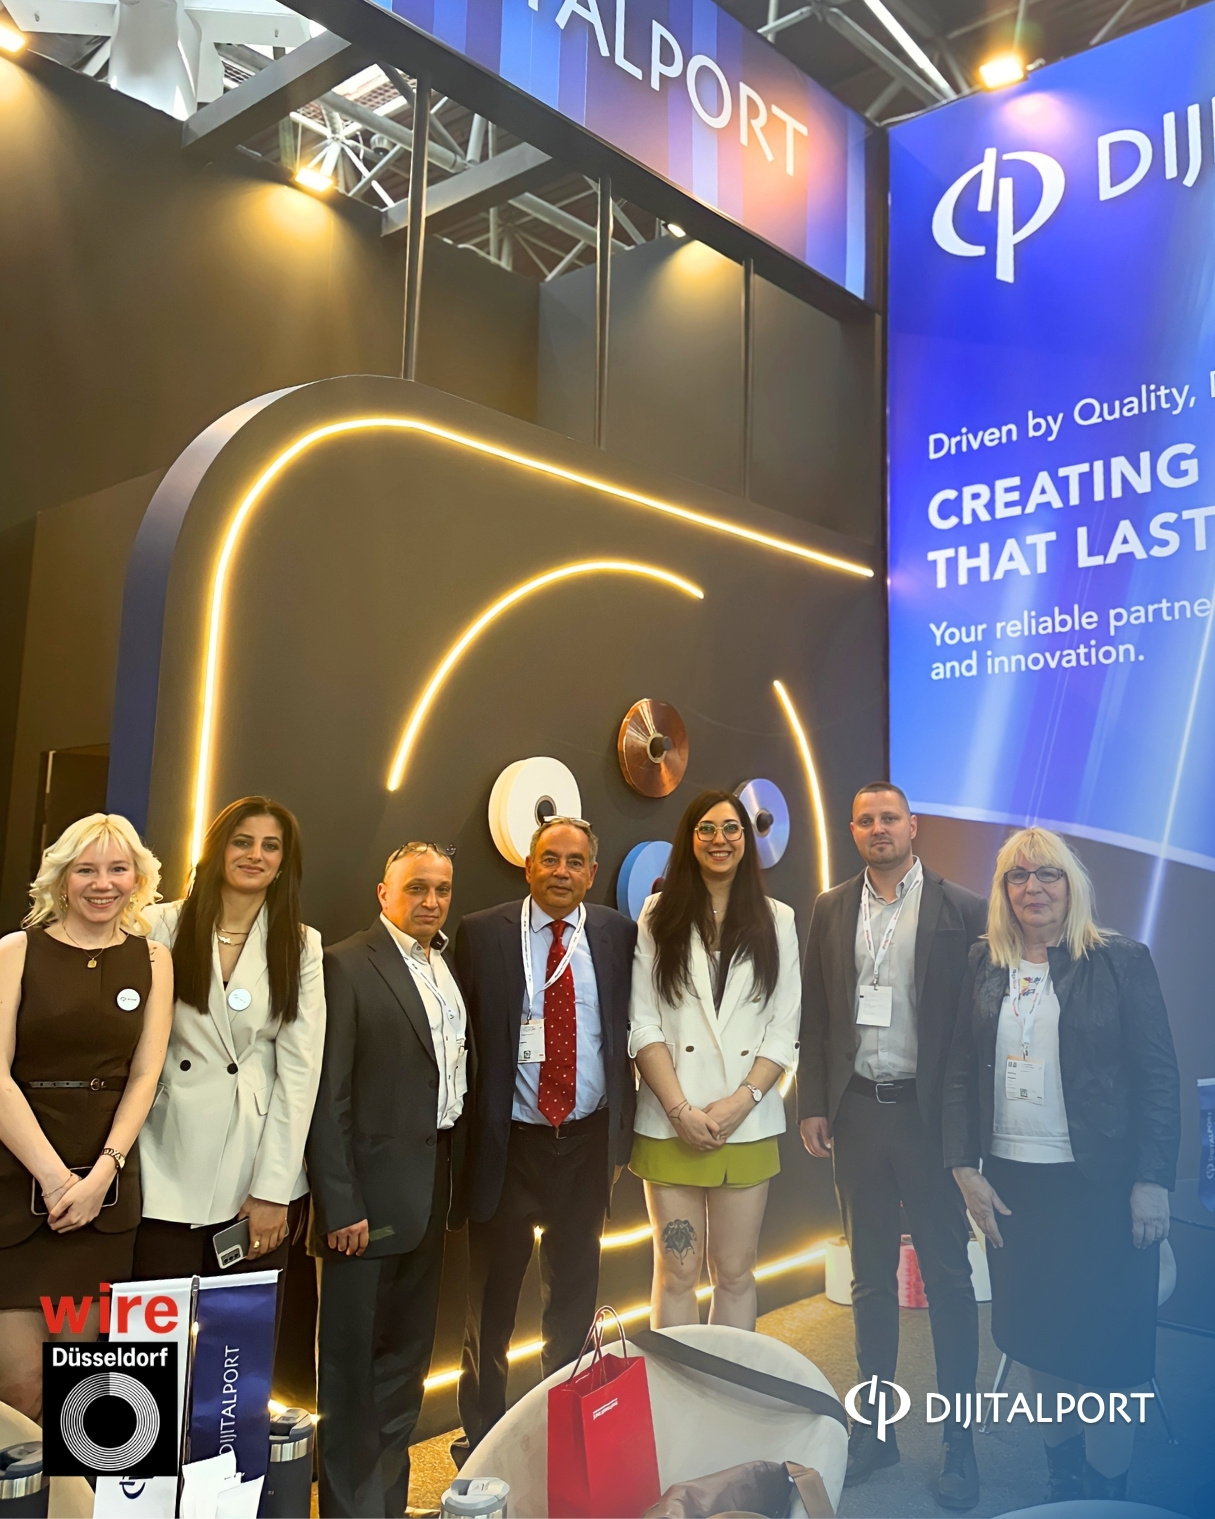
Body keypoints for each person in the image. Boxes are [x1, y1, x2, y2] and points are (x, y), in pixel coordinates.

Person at [945, 827, 1180, 1504]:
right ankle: (1063, 1481)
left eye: (1047, 874)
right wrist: (964, 1168)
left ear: (1070, 884)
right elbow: (959, 1072)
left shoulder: (1120, 961)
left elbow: (1158, 1078)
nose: (1033, 888)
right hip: (1016, 1187)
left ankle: (1107, 1494)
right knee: (1039, 1342)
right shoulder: (984, 962)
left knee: (1107, 1359)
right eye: (1017, 876)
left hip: (1103, 1189)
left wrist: (1151, 1180)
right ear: (1003, 890)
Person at [798, 782, 986, 1509]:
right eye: (865, 820)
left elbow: (973, 1030)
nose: (878, 828)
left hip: (928, 1119)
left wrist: (967, 1131)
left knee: (948, 1280)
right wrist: (814, 1103)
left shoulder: (961, 908)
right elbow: (816, 1011)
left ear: (913, 826)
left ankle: (960, 1442)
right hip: (857, 1114)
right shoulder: (830, 907)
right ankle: (875, 1431)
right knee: (870, 1279)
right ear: (852, 831)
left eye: (889, 818)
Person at [452, 817, 637, 1461]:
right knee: (490, 1308)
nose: (562, 871)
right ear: (528, 867)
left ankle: (562, 1434)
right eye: (550, 859)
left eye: (575, 861)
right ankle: (482, 1439)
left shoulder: (616, 934)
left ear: (592, 873)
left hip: (585, 1144)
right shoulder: (482, 933)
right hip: (510, 1146)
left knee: (573, 1302)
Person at [307, 842, 471, 1518]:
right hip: (364, 1208)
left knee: (405, 1368)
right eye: (416, 888)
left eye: (441, 889)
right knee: (351, 1378)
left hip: (429, 1194)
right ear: (384, 893)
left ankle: (388, 1505)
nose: (431, 901)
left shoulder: (445, 964)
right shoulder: (345, 964)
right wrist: (339, 1202)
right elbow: (328, 1096)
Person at [0, 814, 173, 1419]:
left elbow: (146, 1075)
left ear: (137, 879)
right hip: (16, 1186)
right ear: (61, 878)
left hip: (105, 1194)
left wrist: (102, 1174)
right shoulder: (17, 951)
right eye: (86, 870)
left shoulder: (153, 959)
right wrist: (54, 1179)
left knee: (83, 1391)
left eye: (117, 869)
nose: (103, 884)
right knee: (20, 1390)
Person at [133, 798, 325, 1292]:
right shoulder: (157, 925)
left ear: (284, 863)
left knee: (237, 1336)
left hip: (251, 1163)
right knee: (157, 1326)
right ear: (218, 848)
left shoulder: (301, 944)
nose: (255, 855)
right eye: (242, 842)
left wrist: (273, 1190)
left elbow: (299, 1076)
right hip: (161, 1150)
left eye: (270, 846)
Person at [629, 790, 800, 1333]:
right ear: (689, 838)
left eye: (731, 828)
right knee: (676, 1273)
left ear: (746, 840)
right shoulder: (657, 914)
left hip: (746, 1123)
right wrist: (680, 1110)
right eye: (706, 828)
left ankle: (729, 1382)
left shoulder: (778, 919)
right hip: (669, 1121)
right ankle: (677, 1383)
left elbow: (784, 1030)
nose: (719, 839)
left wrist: (739, 1103)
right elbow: (644, 1024)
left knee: (735, 1273)